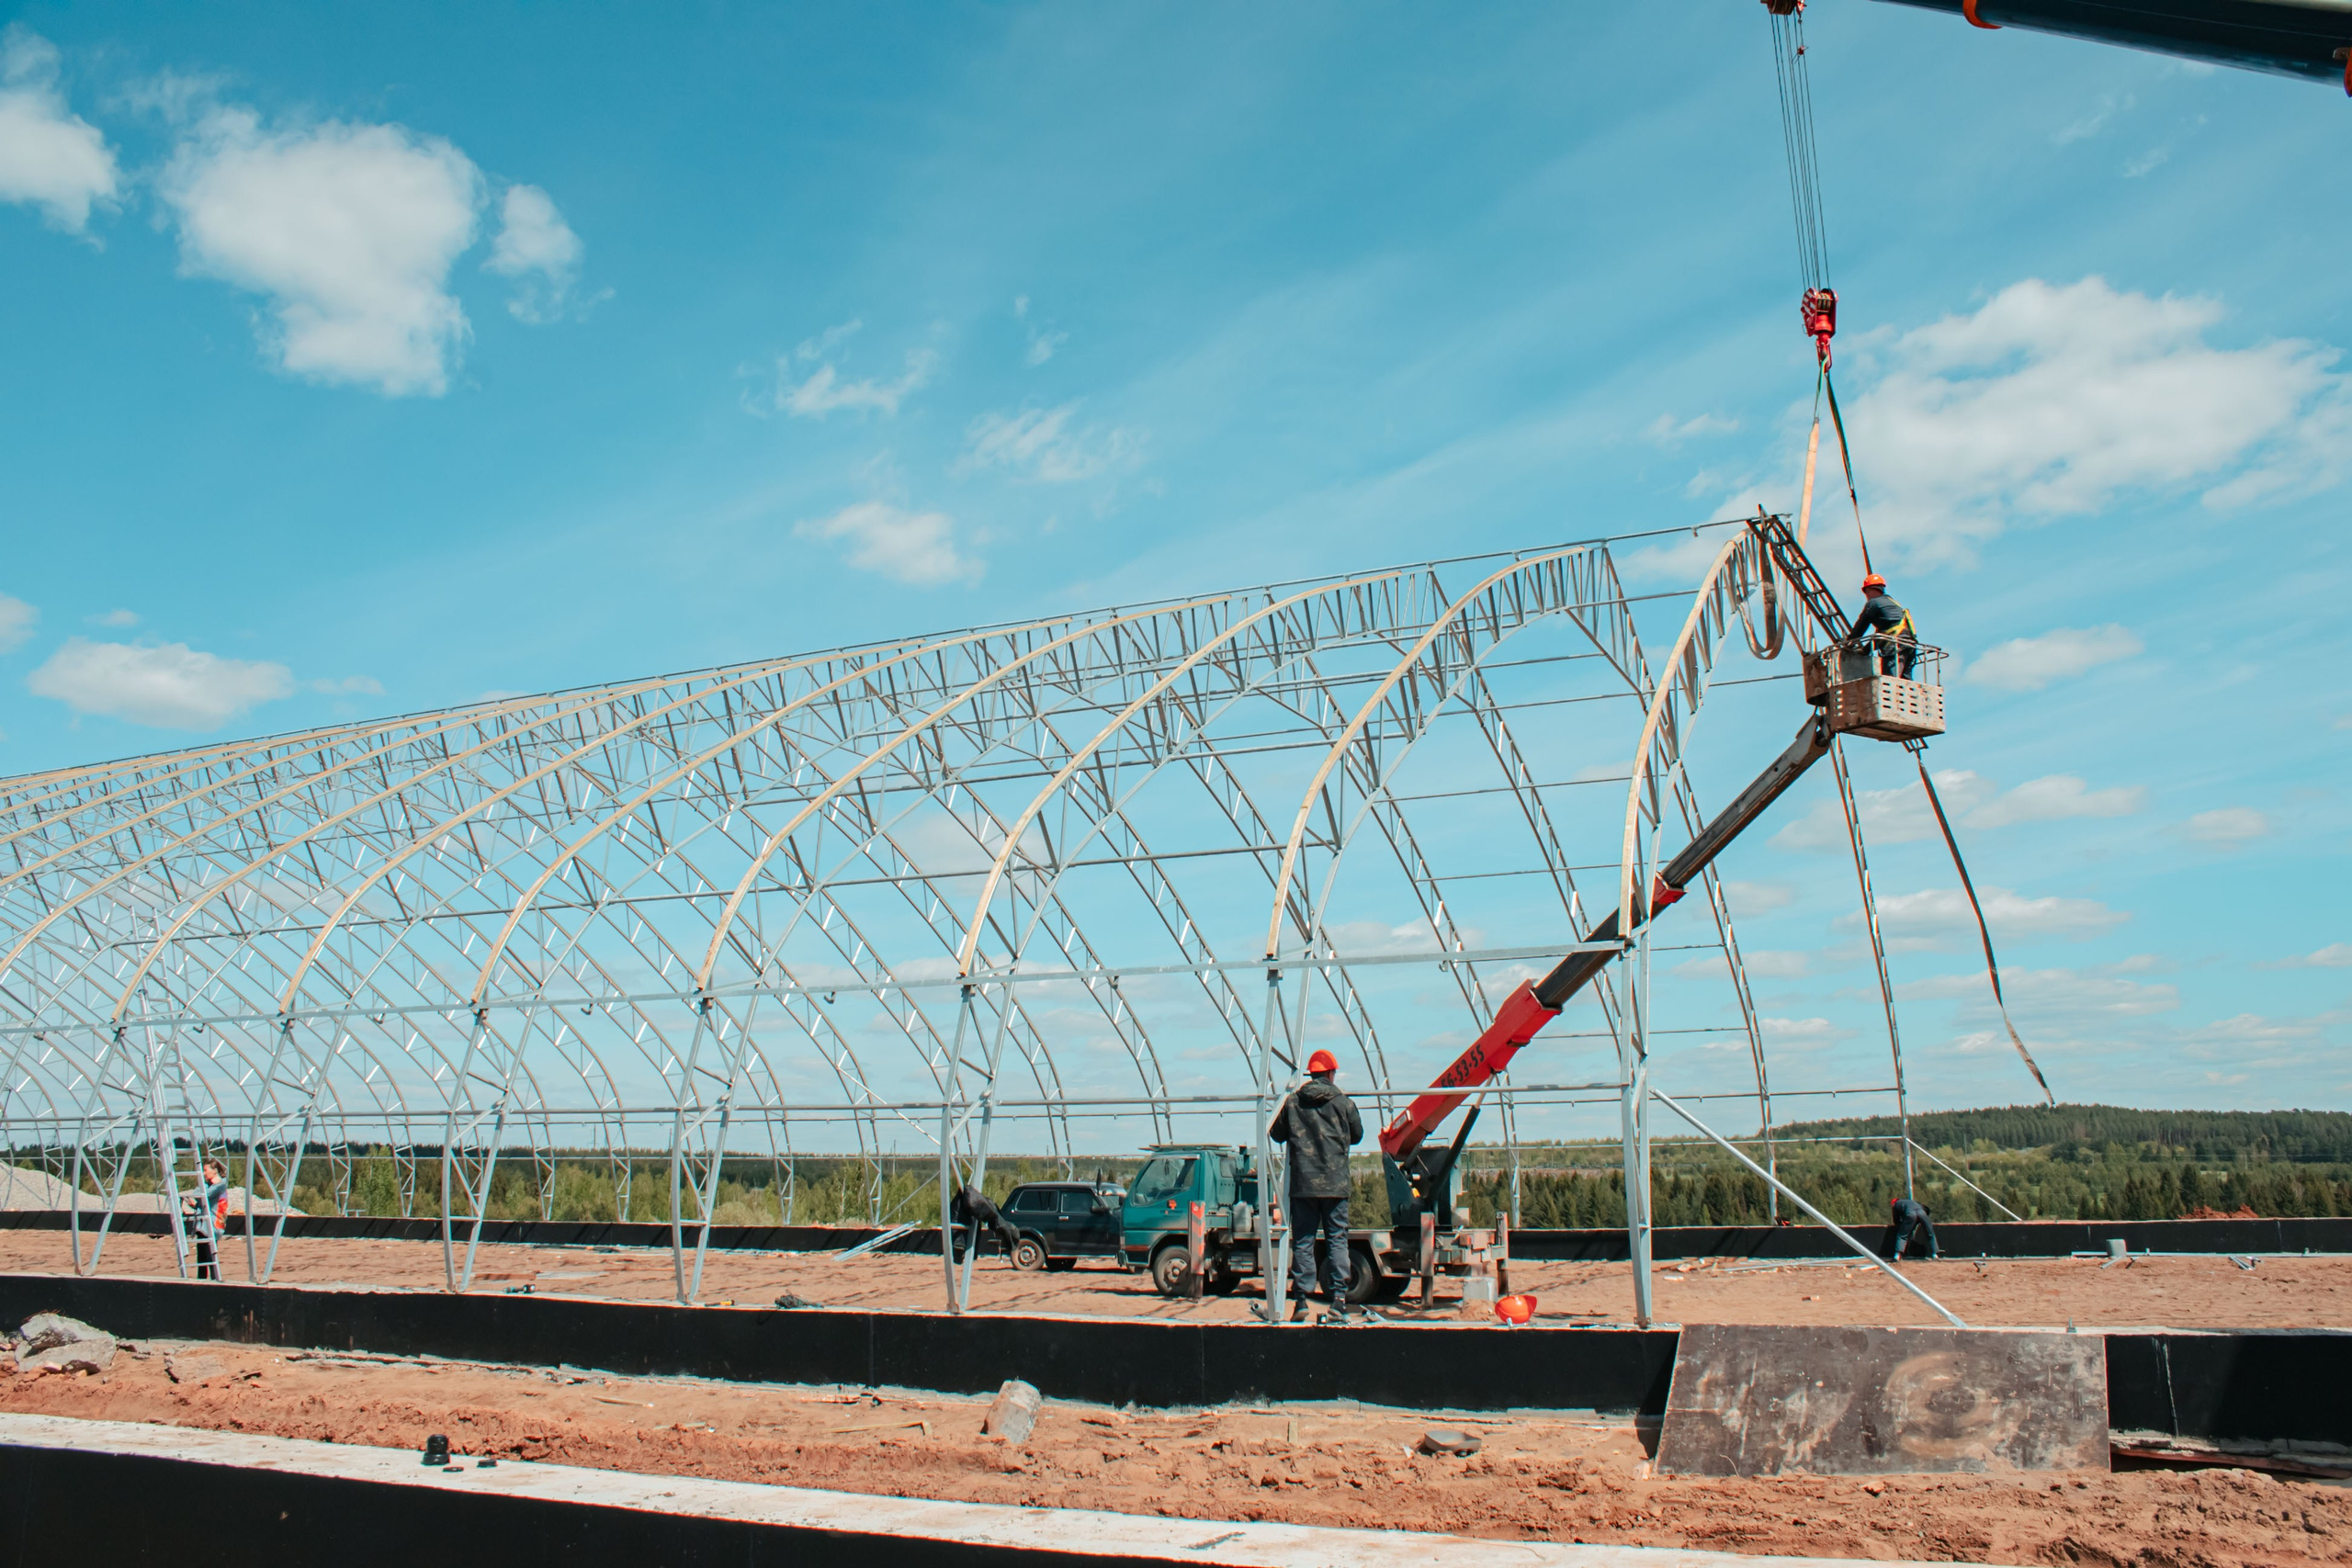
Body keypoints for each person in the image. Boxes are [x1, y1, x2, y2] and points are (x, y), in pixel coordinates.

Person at [1269, 1049, 1364, 1321]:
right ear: (1331, 1074)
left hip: (1303, 1185)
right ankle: (1338, 1300)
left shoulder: (1292, 1102)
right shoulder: (1343, 1102)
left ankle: (1301, 1302)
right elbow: (1357, 1135)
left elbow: (1277, 1134)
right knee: (1336, 1240)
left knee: (1304, 1241)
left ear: (1311, 1075)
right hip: (1335, 1185)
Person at [1850, 573, 1918, 678]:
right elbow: (1881, 635)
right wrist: (1866, 650)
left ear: (1869, 590)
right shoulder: (1892, 603)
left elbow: (1861, 626)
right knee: (1905, 681)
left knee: (1890, 679)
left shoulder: (1874, 603)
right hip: (1909, 645)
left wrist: (1850, 642)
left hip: (1895, 646)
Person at [182, 1157, 229, 1280]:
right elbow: (201, 1198)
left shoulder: (220, 1185)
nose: (203, 1173)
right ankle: (201, 1281)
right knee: (201, 1258)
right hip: (203, 1225)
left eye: (205, 1170)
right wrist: (196, 1205)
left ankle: (214, 1280)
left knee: (210, 1256)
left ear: (214, 1171)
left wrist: (202, 1183)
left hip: (212, 1225)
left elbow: (204, 1195)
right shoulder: (209, 1185)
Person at [949, 1182, 1019, 1264]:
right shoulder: (968, 1197)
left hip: (962, 1234)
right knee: (993, 1218)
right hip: (963, 1232)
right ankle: (1008, 1232)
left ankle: (1008, 1232)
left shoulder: (966, 1197)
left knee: (993, 1218)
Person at [1888, 1194, 1939, 1261]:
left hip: (1910, 1214)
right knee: (1930, 1233)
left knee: (1902, 1235)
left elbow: (1896, 1220)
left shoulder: (1896, 1204)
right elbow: (1926, 1209)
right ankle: (1935, 1255)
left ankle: (1897, 1256)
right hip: (1922, 1213)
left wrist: (1904, 1225)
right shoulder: (1910, 1201)